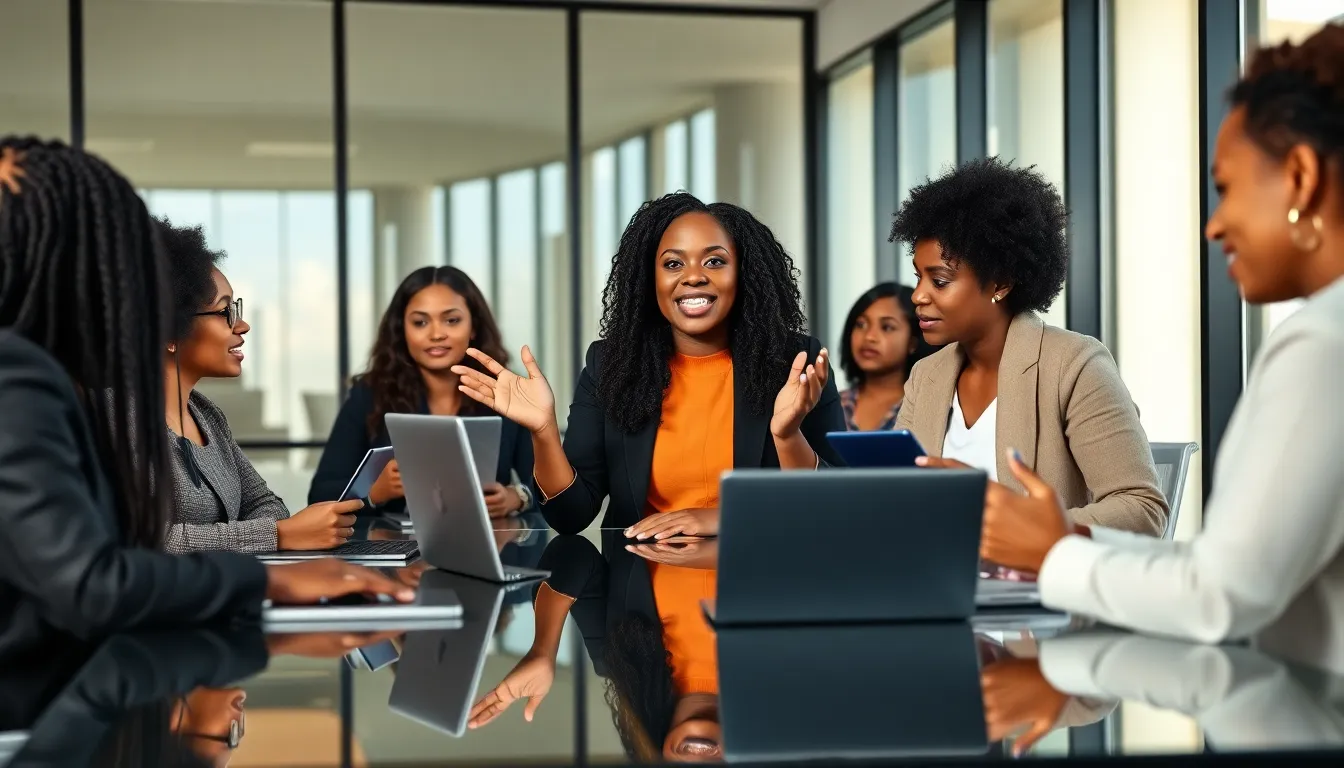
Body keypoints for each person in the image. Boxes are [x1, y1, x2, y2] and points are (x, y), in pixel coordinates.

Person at [978, 25, 1344, 655]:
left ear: (1302, 177)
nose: (1214, 224)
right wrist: (1069, 544)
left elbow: (1218, 595)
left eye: (1226, 188)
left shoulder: (1321, 344)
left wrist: (1054, 555)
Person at [0, 137, 412, 680]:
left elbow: (258, 505)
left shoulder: (197, 412)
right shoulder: (29, 381)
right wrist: (272, 571)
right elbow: (105, 569)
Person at [452, 192, 845, 537]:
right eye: (673, 264)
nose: (693, 277)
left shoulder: (796, 363)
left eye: (715, 261)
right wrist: (543, 432)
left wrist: (728, 517)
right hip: (639, 601)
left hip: (760, 588)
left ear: (744, 275)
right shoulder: (611, 365)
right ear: (649, 279)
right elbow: (571, 516)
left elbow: (836, 505)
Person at [892, 158, 1168, 536]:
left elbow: (1142, 509)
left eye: (939, 281)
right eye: (918, 277)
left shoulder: (1074, 365)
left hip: (1036, 587)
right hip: (935, 580)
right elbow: (894, 495)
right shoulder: (926, 376)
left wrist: (1023, 525)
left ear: (1000, 284)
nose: (918, 296)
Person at [158, 219, 363, 554]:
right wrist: (277, 536)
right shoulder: (115, 421)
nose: (242, 325)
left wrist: (270, 531)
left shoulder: (207, 416)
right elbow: (144, 541)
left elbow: (268, 505)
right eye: (224, 311)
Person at [308, 266, 535, 518]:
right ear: (402, 330)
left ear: (473, 327)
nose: (436, 334)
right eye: (420, 322)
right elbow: (320, 495)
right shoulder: (369, 394)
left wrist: (517, 497)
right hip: (393, 548)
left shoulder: (503, 392)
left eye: (452, 320)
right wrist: (374, 491)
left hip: (490, 544)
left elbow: (548, 487)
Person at [837, 282, 937, 431]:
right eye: (861, 324)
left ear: (913, 342)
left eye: (887, 327)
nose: (870, 337)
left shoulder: (929, 408)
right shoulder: (832, 405)